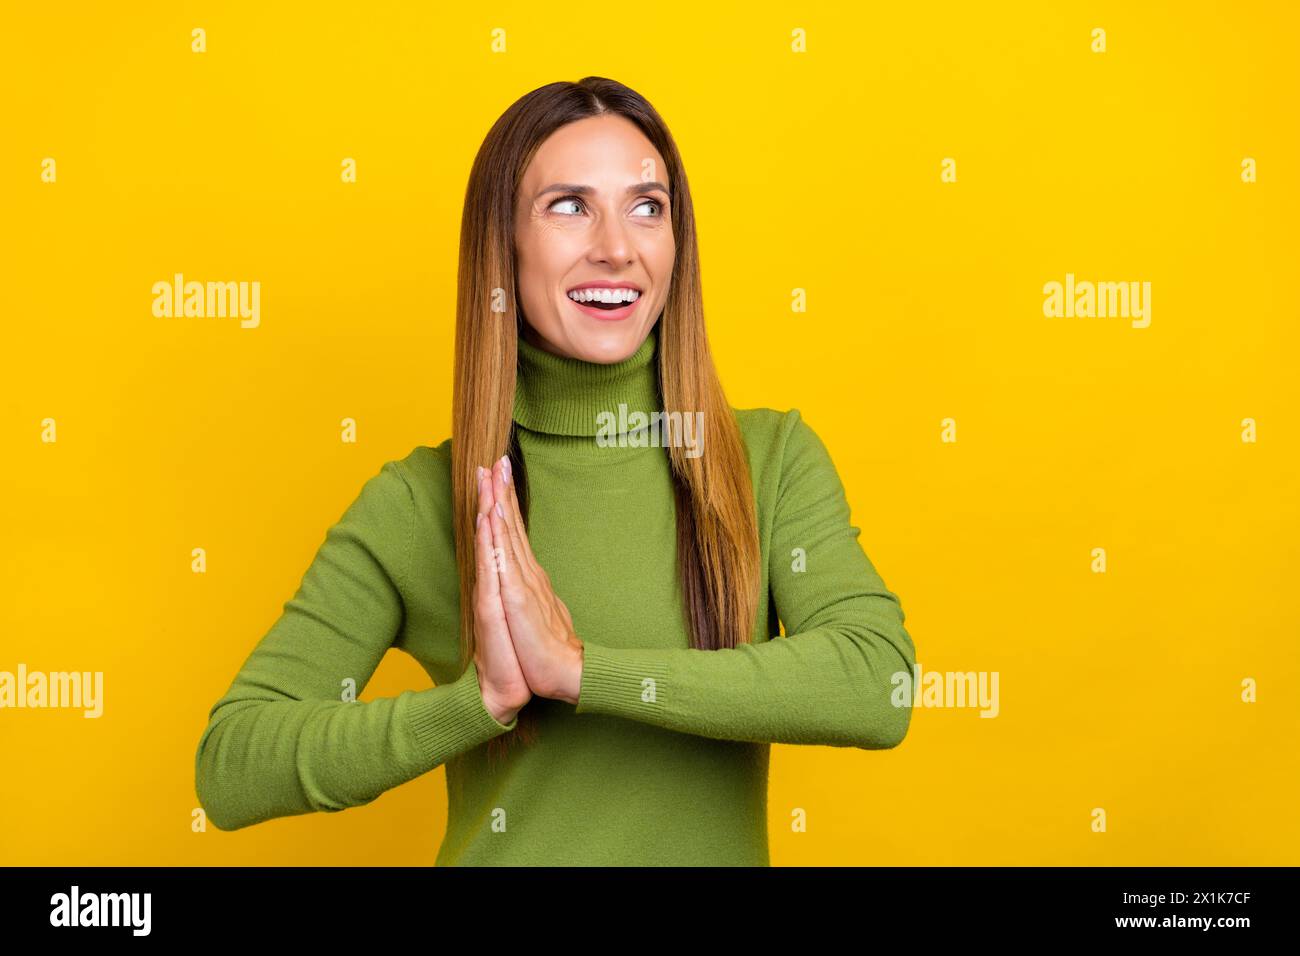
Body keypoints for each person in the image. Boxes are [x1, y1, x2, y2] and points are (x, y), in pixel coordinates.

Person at [194, 76, 916, 866]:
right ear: (502, 243)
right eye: (569, 205)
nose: (618, 245)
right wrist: (478, 704)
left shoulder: (766, 461)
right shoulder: (423, 503)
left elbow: (879, 684)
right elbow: (233, 766)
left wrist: (580, 672)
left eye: (648, 207)